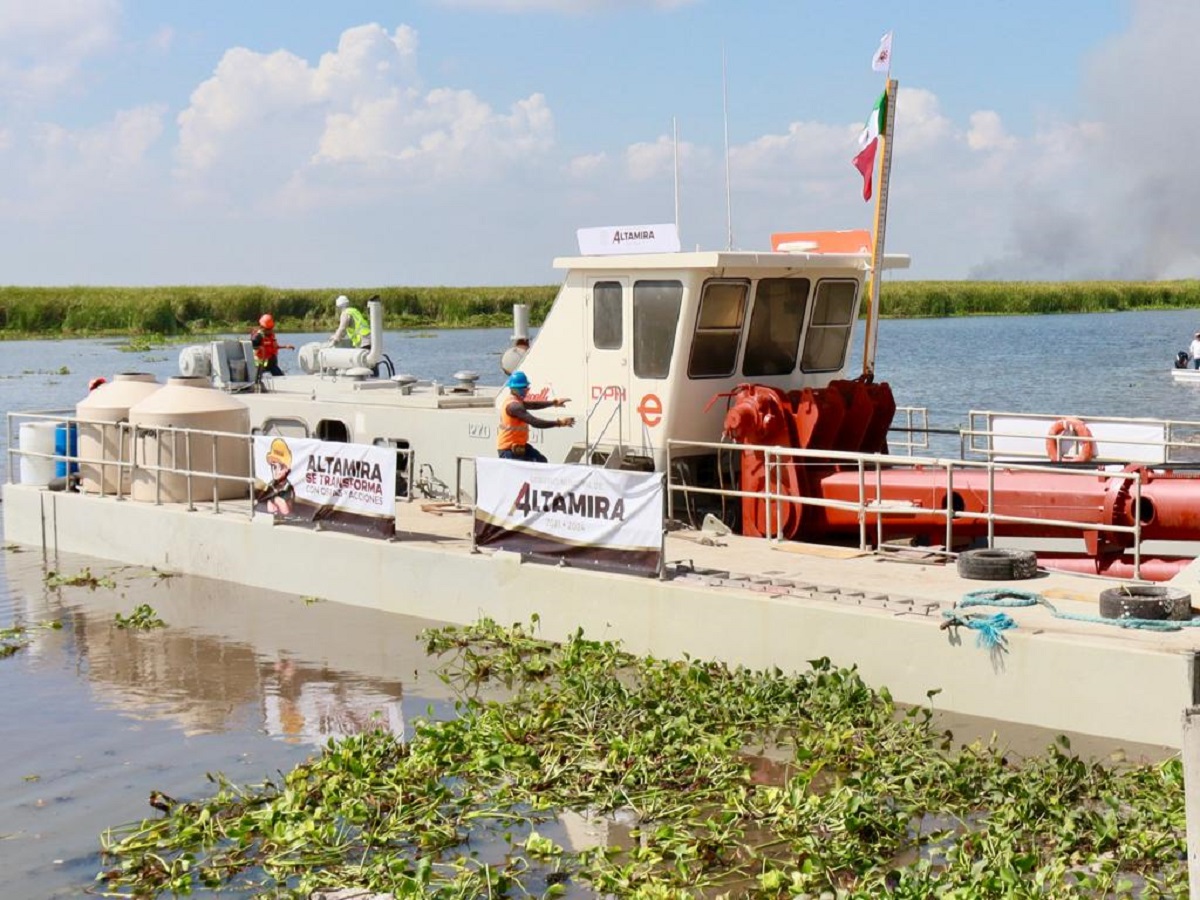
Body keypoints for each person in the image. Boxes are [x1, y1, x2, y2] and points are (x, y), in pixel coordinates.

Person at [496, 370, 573, 462]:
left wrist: (554, 403)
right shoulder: (514, 406)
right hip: (508, 450)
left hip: (520, 446)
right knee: (519, 473)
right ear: (515, 389)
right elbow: (535, 422)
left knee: (542, 461)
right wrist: (559, 423)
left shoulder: (516, 401)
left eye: (527, 388)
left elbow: (533, 405)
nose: (526, 391)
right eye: (524, 388)